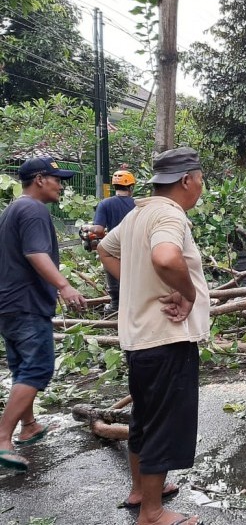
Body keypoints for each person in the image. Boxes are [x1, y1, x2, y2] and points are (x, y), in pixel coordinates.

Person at [97, 147, 209, 525]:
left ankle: (141, 491)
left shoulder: (138, 213)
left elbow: (104, 249)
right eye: (201, 179)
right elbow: (165, 258)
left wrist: (136, 285)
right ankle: (153, 513)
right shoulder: (167, 213)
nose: (201, 186)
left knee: (144, 418)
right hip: (165, 339)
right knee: (164, 424)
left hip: (140, 339)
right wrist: (189, 293)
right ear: (186, 180)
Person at [0, 156, 87, 472]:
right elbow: (35, 253)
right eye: (56, 179)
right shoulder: (34, 210)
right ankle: (2, 439)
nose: (60, 185)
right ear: (39, 180)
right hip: (26, 304)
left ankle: (30, 425)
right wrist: (65, 287)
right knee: (37, 368)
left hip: (9, 304)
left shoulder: (12, 210)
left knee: (23, 367)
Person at [87, 168, 137, 312]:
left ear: (114, 186)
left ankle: (115, 305)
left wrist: (87, 228)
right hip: (135, 246)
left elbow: (98, 230)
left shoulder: (105, 204)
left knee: (114, 274)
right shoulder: (137, 204)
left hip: (114, 247)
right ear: (131, 187)